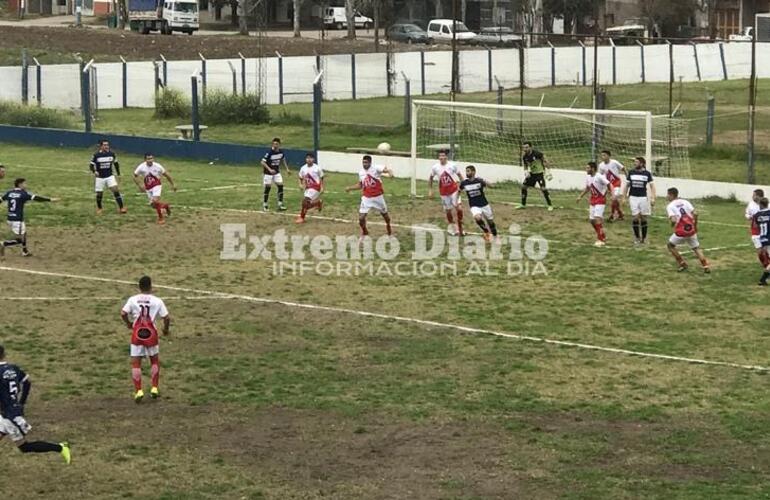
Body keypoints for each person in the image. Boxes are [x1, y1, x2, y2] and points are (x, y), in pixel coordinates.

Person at [0, 345, 71, 464]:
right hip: (11, 411)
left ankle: (61, 448)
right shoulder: (13, 368)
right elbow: (27, 382)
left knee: (24, 447)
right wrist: (21, 402)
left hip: (9, 416)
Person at [120, 276, 170, 403]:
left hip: (137, 333)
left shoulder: (132, 299)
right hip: (151, 333)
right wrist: (165, 330)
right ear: (151, 286)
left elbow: (123, 313)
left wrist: (128, 324)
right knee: (154, 361)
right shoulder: (157, 301)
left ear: (139, 287)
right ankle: (154, 387)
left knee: (136, 363)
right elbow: (166, 317)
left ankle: (138, 390)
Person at [1, 178, 58, 258]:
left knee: (24, 233)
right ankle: (3, 244)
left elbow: (0, 200)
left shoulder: (9, 193)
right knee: (19, 240)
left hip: (10, 218)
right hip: (18, 220)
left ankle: (24, 251)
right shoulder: (23, 194)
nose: (26, 185)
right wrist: (50, 199)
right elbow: (37, 198)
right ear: (20, 184)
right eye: (24, 184)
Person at [345, 155, 393, 239]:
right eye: (363, 162)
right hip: (367, 198)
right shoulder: (361, 172)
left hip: (378, 197)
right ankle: (365, 231)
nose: (364, 164)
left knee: (385, 216)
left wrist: (390, 172)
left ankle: (388, 226)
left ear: (370, 163)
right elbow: (361, 185)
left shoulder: (375, 168)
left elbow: (385, 170)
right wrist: (350, 188)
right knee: (361, 218)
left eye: (366, 162)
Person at [666, 187, 710, 273]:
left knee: (670, 245)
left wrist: (672, 224)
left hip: (681, 231)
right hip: (690, 229)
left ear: (671, 195)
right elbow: (696, 214)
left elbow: (673, 220)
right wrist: (695, 225)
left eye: (668, 194)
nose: (667, 196)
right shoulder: (685, 202)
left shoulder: (670, 206)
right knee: (696, 248)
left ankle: (682, 263)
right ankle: (705, 266)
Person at [428, 149, 465, 236]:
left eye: (443, 156)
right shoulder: (435, 167)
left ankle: (461, 228)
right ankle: (452, 228)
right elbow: (430, 178)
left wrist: (463, 186)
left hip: (454, 191)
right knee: (448, 211)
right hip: (444, 193)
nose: (442, 157)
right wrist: (430, 190)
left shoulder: (452, 165)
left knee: (459, 209)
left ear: (446, 157)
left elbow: (460, 176)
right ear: (438, 157)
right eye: (440, 156)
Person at [133, 153, 176, 225]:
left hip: (157, 185)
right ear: (145, 160)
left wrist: (173, 184)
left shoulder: (158, 166)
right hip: (148, 187)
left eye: (151, 158)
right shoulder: (141, 167)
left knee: (155, 201)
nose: (150, 160)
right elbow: (134, 176)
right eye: (148, 159)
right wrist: (140, 185)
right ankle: (165, 205)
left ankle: (161, 218)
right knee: (153, 205)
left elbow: (167, 175)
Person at [459, 166, 497, 242]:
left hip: (484, 204)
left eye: (468, 171)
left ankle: (495, 234)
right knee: (477, 217)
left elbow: (492, 186)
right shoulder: (464, 183)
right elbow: (458, 191)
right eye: (466, 171)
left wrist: (485, 181)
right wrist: (458, 201)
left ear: (473, 172)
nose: (467, 173)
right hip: (474, 205)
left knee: (491, 222)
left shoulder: (479, 181)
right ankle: (486, 232)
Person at [576, 161, 610, 247]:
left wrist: (612, 194)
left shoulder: (599, 177)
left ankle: (600, 240)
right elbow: (588, 188)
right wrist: (580, 196)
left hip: (600, 200)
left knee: (597, 219)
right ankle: (603, 235)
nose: (586, 169)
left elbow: (609, 184)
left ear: (593, 169)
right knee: (592, 221)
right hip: (593, 200)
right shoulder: (588, 177)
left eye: (588, 168)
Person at [89, 139, 126, 215]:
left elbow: (116, 164)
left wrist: (118, 174)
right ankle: (99, 208)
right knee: (99, 193)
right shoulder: (96, 155)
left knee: (115, 190)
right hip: (100, 177)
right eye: (105, 145)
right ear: (101, 146)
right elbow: (91, 165)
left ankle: (121, 208)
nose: (106, 146)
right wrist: (94, 171)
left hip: (109, 176)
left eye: (107, 145)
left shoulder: (112, 154)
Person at [624, 157, 655, 245]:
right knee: (635, 217)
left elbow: (652, 186)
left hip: (643, 197)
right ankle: (637, 237)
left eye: (636, 162)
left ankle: (644, 238)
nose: (635, 163)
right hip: (633, 197)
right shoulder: (631, 172)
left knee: (643, 217)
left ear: (642, 163)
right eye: (634, 162)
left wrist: (653, 197)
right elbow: (627, 186)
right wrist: (624, 197)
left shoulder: (647, 174)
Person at [517, 142, 553, 211]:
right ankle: (523, 204)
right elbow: (525, 165)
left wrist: (548, 172)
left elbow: (545, 161)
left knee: (543, 189)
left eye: (527, 147)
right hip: (532, 174)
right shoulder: (525, 156)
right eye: (524, 147)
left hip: (539, 174)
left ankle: (550, 205)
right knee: (523, 187)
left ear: (531, 147)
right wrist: (526, 171)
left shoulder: (537, 154)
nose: (525, 149)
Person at [261, 137, 289, 212]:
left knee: (280, 186)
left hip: (276, 172)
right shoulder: (269, 152)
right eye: (273, 144)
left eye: (276, 144)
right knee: (268, 188)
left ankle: (280, 204)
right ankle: (265, 204)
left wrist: (287, 169)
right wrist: (270, 169)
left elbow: (283, 159)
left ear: (279, 144)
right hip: (268, 173)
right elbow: (262, 162)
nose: (275, 145)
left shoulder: (281, 152)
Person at [295, 152, 324, 224]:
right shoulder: (303, 168)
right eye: (307, 158)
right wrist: (300, 185)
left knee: (305, 201)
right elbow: (300, 178)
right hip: (308, 188)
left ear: (313, 159)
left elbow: (321, 178)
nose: (309, 159)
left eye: (311, 158)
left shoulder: (317, 168)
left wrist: (322, 187)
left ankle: (302, 217)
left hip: (315, 187)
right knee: (306, 204)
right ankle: (317, 203)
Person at [597, 149, 626, 222]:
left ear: (609, 156)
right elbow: (600, 176)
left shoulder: (614, 162)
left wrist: (627, 177)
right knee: (615, 200)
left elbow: (623, 168)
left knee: (613, 198)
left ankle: (613, 215)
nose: (603, 157)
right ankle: (620, 214)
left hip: (616, 183)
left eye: (604, 155)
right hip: (609, 185)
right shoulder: (601, 165)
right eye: (602, 155)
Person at [745, 189, 767, 269]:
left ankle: (767, 266)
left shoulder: (766, 204)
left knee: (765, 250)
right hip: (755, 231)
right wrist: (749, 217)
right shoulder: (750, 204)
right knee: (759, 252)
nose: (752, 196)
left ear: (758, 196)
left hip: (765, 231)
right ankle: (766, 266)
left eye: (754, 195)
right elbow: (747, 214)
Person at [753, 197, 770, 286]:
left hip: (762, 238)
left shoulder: (756, 215)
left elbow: (756, 226)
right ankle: (763, 279)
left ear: (761, 205)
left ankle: (764, 278)